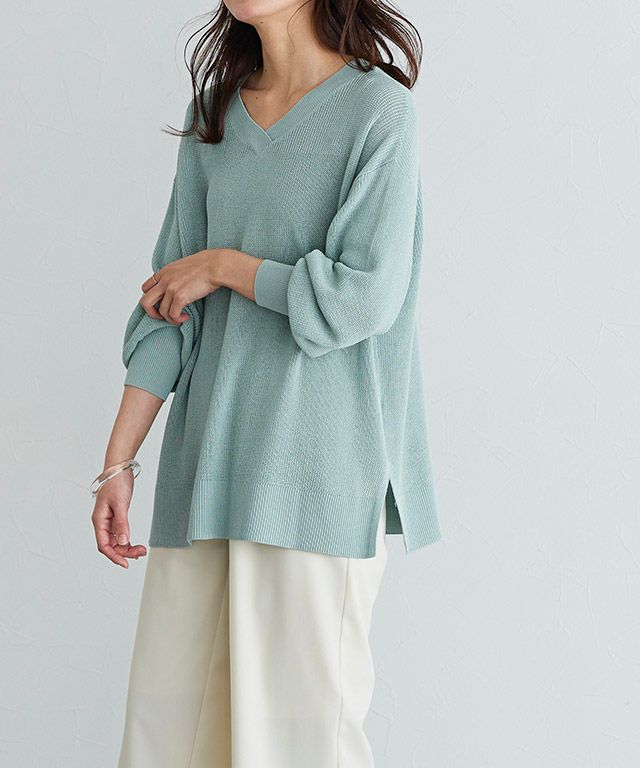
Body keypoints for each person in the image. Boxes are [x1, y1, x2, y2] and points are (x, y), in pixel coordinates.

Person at [91, 0, 442, 765]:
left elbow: (364, 297)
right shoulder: (214, 117)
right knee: (170, 739)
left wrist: (227, 266)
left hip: (315, 480)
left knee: (296, 744)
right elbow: (168, 305)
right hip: (203, 475)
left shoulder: (377, 110)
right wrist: (118, 463)